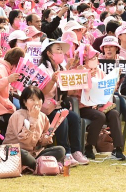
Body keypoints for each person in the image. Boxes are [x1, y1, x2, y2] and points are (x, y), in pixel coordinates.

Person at [38, 37, 88, 167]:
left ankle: (76, 151)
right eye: (57, 50)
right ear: (49, 53)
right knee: (62, 118)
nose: (61, 52)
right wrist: (52, 81)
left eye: (61, 50)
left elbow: (68, 91)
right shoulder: (43, 69)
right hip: (46, 109)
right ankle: (65, 153)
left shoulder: (61, 68)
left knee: (74, 117)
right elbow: (40, 92)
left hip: (59, 106)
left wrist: (79, 76)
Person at [72, 48, 126, 160]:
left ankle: (118, 148)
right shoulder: (78, 71)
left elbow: (107, 88)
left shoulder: (99, 71)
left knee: (114, 113)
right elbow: (73, 92)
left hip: (100, 104)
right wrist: (85, 78)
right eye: (91, 58)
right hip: (84, 106)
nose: (94, 60)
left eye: (95, 57)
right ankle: (89, 146)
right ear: (84, 60)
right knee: (99, 116)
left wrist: (114, 80)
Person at [3, 86, 66, 170]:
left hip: (34, 154)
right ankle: (39, 165)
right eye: (32, 100)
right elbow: (24, 141)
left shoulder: (43, 117)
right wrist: (32, 119)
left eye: (39, 99)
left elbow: (41, 142)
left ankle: (34, 165)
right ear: (25, 102)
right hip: (16, 151)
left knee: (60, 150)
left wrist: (46, 138)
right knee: (22, 153)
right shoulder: (17, 115)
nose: (36, 103)